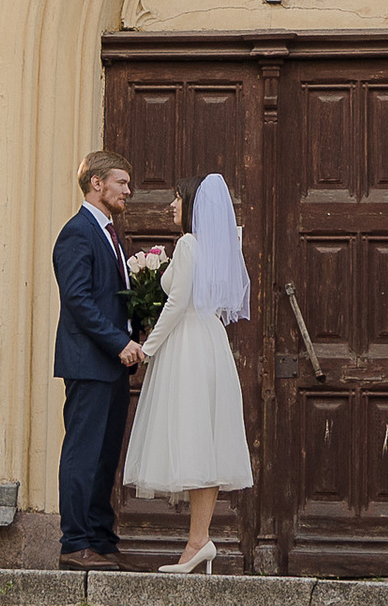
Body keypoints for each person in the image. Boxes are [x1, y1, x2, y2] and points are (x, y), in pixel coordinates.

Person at [123, 168, 254, 573]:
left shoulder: (188, 244)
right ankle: (200, 539)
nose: (172, 205)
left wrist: (147, 348)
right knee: (206, 443)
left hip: (188, 347)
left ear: (193, 206)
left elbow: (177, 304)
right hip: (211, 343)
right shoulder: (216, 249)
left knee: (194, 437)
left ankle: (198, 540)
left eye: (178, 198)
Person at [51, 150, 144, 569]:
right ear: (97, 183)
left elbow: (111, 297)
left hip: (112, 365)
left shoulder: (110, 233)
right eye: (121, 183)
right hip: (88, 362)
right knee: (82, 453)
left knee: (105, 457)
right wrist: (118, 342)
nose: (128, 191)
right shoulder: (77, 232)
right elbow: (78, 300)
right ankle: (75, 544)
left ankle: (102, 540)